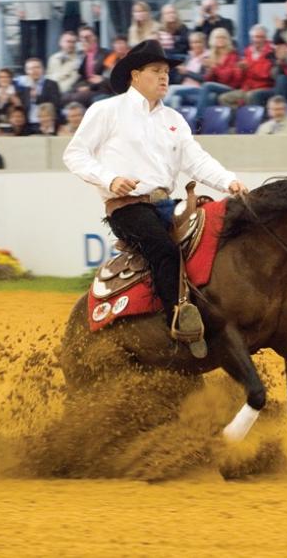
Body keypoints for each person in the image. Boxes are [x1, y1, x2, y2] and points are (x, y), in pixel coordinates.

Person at [63, 39, 247, 357]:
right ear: (135, 75)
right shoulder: (107, 111)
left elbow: (197, 161)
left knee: (223, 227)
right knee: (164, 250)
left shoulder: (173, 120)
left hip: (168, 203)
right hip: (128, 206)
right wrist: (111, 179)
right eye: (156, 71)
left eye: (166, 72)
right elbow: (75, 154)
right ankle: (179, 321)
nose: (164, 77)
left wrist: (229, 182)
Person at [218, 24, 276, 109]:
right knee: (224, 98)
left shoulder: (271, 52)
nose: (257, 40)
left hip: (263, 87)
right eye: (255, 37)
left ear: (265, 38)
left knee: (250, 96)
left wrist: (249, 68)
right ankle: (239, 119)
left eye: (260, 37)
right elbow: (241, 77)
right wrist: (240, 70)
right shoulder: (248, 51)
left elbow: (265, 74)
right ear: (251, 38)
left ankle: (251, 119)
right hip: (247, 87)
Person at [7, 0, 52, 65]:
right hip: (27, 9)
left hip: (43, 8)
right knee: (26, 43)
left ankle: (42, 69)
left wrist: (50, 5)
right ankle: (24, 71)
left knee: (42, 44)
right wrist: (18, 6)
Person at [195, 27, 242, 119]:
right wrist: (209, 70)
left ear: (227, 40)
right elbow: (207, 79)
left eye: (223, 37)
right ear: (213, 40)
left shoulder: (233, 55)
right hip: (216, 88)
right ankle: (209, 123)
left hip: (230, 87)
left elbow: (227, 77)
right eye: (217, 37)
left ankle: (198, 119)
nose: (220, 40)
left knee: (207, 86)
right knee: (211, 96)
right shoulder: (211, 55)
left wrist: (214, 67)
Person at [64, 26, 111, 107]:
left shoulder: (107, 54)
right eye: (82, 37)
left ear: (95, 38)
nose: (84, 40)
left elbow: (105, 78)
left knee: (78, 97)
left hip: (101, 90)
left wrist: (89, 87)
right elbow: (81, 78)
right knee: (64, 97)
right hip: (86, 89)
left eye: (87, 37)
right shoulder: (82, 56)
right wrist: (75, 89)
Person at [164, 31, 208, 108]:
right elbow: (179, 80)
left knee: (171, 89)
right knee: (175, 99)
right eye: (192, 43)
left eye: (198, 42)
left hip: (198, 88)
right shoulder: (189, 57)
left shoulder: (207, 58)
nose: (195, 45)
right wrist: (180, 72)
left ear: (204, 43)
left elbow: (204, 79)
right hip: (183, 88)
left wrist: (187, 72)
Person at [17, 58, 62, 130]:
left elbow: (55, 104)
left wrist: (37, 98)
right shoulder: (24, 87)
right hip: (28, 125)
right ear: (26, 71)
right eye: (31, 68)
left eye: (37, 67)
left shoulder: (52, 84)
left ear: (43, 69)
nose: (34, 71)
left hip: (47, 124)